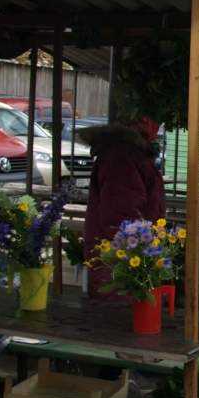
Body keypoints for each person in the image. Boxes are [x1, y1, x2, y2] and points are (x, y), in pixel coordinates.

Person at [81, 119, 166, 300]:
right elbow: (119, 217)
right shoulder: (123, 155)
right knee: (120, 322)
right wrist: (145, 251)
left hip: (124, 264)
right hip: (119, 268)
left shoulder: (132, 153)